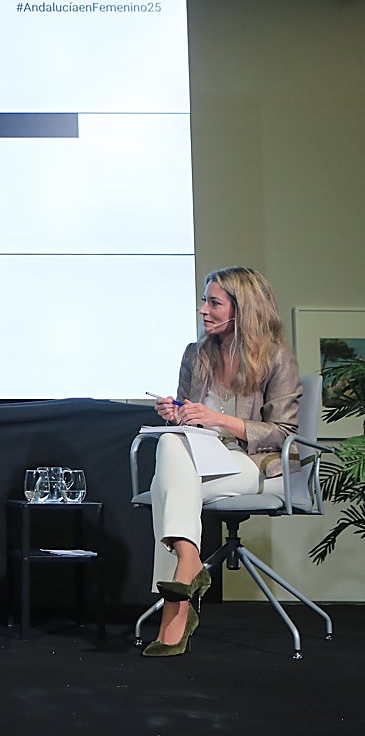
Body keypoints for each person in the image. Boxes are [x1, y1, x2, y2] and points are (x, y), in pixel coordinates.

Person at [144, 266, 301, 657]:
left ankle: (175, 610)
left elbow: (284, 431)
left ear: (242, 308)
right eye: (204, 301)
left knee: (167, 489)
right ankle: (189, 564)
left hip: (257, 462)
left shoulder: (276, 357)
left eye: (213, 303)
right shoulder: (196, 354)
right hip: (203, 456)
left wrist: (218, 419)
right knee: (171, 443)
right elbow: (188, 417)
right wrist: (176, 413)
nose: (203, 310)